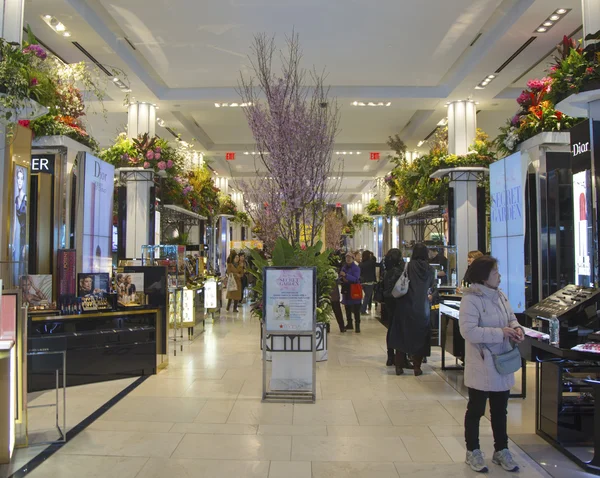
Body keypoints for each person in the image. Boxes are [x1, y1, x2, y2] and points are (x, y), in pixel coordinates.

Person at [459, 256, 524, 473]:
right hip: (482, 363)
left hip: (502, 362)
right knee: (476, 409)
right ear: (484, 276)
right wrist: (500, 333)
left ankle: (501, 450)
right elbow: (468, 331)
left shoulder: (500, 296)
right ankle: (473, 451)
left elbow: (511, 318)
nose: (499, 276)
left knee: (500, 409)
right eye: (495, 272)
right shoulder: (471, 299)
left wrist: (516, 329)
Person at [389, 243, 436, 376]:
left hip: (405, 306)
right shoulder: (430, 269)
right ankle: (417, 367)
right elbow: (432, 287)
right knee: (420, 338)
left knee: (401, 336)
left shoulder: (408, 266)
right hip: (422, 308)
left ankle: (399, 366)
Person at [382, 248, 404, 366]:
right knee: (399, 329)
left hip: (388, 300)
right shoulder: (399, 271)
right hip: (398, 301)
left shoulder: (386, 271)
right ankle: (400, 357)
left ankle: (390, 356)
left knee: (390, 328)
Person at [340, 253, 362, 332]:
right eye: (347, 257)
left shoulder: (356, 268)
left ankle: (357, 325)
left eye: (349, 257)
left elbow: (356, 279)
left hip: (355, 290)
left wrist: (346, 276)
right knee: (347, 308)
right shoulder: (344, 267)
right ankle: (349, 324)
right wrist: (342, 278)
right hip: (346, 290)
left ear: (353, 259)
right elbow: (341, 277)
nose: (348, 259)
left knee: (356, 309)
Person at [13, 167, 27, 263]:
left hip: (24, 234)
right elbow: (14, 220)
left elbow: (28, 220)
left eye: (21, 178)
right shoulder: (16, 198)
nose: (19, 181)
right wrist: (13, 241)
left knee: (23, 258)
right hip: (18, 234)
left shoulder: (25, 198)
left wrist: (26, 243)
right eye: (18, 178)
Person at [360, 250, 377, 315]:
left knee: (363, 296)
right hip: (369, 282)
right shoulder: (372, 263)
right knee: (367, 296)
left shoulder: (361, 264)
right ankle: (363, 310)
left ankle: (361, 308)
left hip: (362, 282)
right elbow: (374, 271)